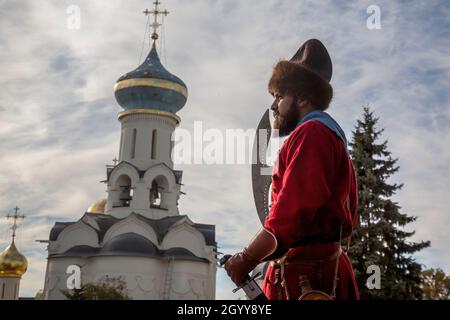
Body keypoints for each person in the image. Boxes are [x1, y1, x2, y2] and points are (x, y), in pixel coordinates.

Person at [224, 39, 360, 300]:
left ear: (302, 98)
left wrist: (247, 257)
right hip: (306, 270)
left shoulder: (313, 133)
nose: (274, 106)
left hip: (310, 278)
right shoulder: (317, 134)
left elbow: (292, 211)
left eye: (278, 96)